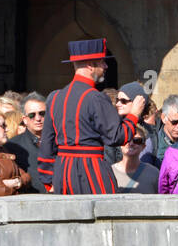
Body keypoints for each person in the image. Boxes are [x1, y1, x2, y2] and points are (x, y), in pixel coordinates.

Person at [39, 39, 145, 194]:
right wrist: (134, 114)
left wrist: (48, 180)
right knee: (104, 215)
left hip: (62, 173)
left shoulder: (54, 97)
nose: (105, 66)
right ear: (90, 65)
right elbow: (116, 137)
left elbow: (46, 144)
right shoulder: (95, 97)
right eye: (102, 62)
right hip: (90, 170)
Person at [5, 92, 47, 193]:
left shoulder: (61, 142)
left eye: (42, 113)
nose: (38, 118)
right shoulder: (12, 146)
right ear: (25, 120)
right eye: (32, 115)